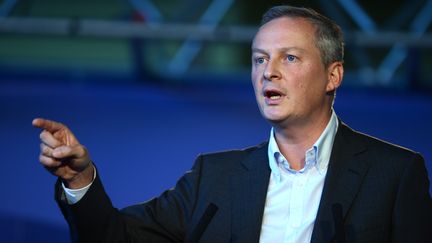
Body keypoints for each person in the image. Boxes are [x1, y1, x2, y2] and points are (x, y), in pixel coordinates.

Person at [33, 5, 431, 243]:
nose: (268, 72)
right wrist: (79, 179)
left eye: (288, 58)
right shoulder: (215, 177)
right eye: (260, 59)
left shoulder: (393, 173)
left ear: (333, 76)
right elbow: (115, 239)